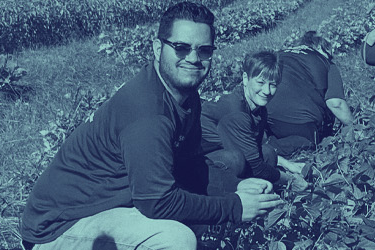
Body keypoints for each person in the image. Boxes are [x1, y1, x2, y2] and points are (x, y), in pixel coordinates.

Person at [18, 3, 283, 250]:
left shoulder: (187, 97)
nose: (193, 58)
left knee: (223, 168)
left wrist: (235, 187)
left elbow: (188, 165)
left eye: (204, 50)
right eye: (181, 47)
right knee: (176, 239)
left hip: (115, 200)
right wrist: (233, 206)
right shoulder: (148, 113)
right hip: (58, 226)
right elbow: (157, 202)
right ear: (158, 48)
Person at [201, 51, 287, 195]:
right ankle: (220, 199)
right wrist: (289, 179)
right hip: (195, 163)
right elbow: (256, 166)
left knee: (268, 153)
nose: (267, 91)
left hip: (219, 152)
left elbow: (256, 153)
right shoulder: (235, 111)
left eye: (273, 84)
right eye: (260, 82)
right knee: (236, 160)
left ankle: (253, 190)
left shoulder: (259, 110)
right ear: (246, 78)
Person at [266, 31, 354, 159]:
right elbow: (336, 103)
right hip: (300, 123)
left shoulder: (279, 54)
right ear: (320, 48)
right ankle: (270, 149)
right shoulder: (326, 63)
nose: (330, 58)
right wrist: (355, 127)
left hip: (265, 115)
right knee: (309, 141)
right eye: (329, 54)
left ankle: (260, 141)